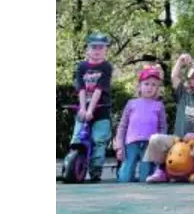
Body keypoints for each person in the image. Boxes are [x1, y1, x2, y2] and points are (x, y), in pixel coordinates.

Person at [144, 56, 194, 183]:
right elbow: (174, 77)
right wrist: (180, 61)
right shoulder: (184, 95)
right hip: (176, 141)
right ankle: (161, 170)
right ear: (190, 82)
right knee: (155, 139)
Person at [70, 33, 115, 182]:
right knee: (77, 138)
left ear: (105, 50)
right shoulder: (81, 66)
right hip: (84, 109)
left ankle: (95, 171)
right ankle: (71, 165)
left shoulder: (106, 67)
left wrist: (91, 110)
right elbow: (81, 88)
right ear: (87, 49)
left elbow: (99, 89)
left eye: (100, 48)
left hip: (101, 110)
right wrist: (83, 109)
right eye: (93, 47)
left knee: (98, 141)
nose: (97, 51)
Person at [113, 66, 167, 182]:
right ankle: (122, 170)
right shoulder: (131, 104)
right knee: (124, 178)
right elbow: (122, 126)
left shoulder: (159, 106)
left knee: (146, 178)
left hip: (150, 145)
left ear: (158, 88)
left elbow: (163, 128)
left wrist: (161, 147)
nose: (150, 87)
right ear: (140, 86)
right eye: (146, 84)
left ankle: (148, 172)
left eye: (154, 85)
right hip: (131, 144)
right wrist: (119, 146)